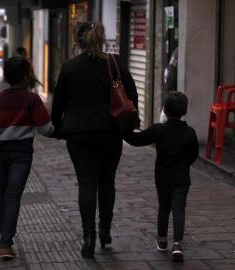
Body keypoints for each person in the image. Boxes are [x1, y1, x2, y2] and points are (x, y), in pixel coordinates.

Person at [51, 21, 138, 258]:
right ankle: (105, 230)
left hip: (79, 133)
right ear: (100, 39)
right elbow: (132, 94)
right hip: (110, 132)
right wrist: (130, 125)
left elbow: (58, 103)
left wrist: (58, 127)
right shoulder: (115, 63)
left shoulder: (70, 67)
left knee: (86, 183)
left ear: (79, 42)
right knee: (107, 181)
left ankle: (87, 235)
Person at [0, 57, 54, 259]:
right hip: (21, 154)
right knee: (13, 195)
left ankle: (5, 241)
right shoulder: (32, 100)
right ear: (25, 77)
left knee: (5, 193)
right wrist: (65, 129)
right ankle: (5, 244)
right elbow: (46, 130)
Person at [124, 92, 199, 263]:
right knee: (179, 209)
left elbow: (137, 140)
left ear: (164, 109)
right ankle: (178, 245)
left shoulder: (159, 130)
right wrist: (184, 165)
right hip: (182, 178)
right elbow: (193, 154)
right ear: (184, 111)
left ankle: (162, 240)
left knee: (164, 208)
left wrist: (123, 128)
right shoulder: (190, 132)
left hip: (163, 178)